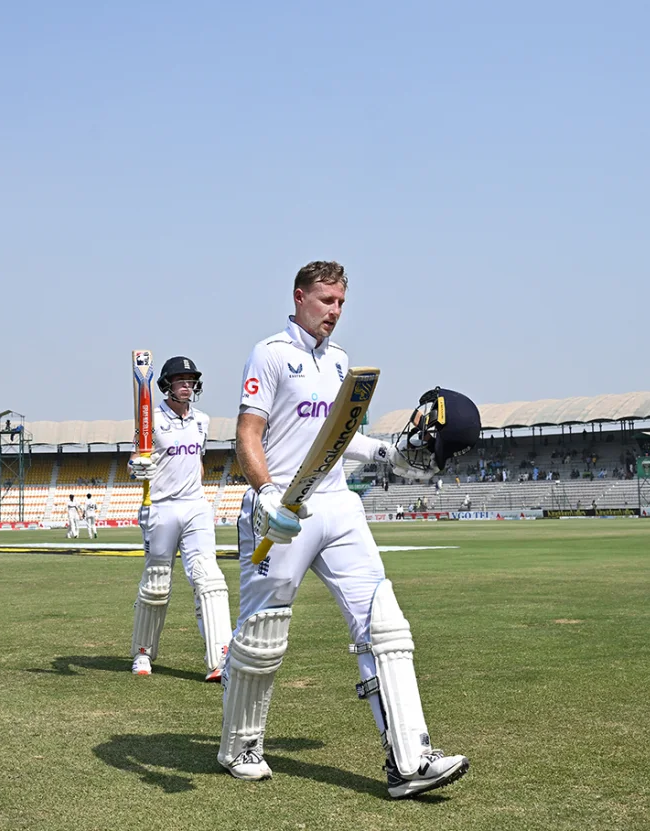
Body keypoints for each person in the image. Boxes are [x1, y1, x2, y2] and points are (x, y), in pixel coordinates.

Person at [220, 260, 471, 799]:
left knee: (385, 626)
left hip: (338, 504)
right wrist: (266, 495)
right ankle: (240, 746)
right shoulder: (271, 354)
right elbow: (248, 433)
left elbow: (342, 435)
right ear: (299, 297)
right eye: (325, 301)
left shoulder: (340, 364)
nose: (334, 312)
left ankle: (410, 762)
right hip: (285, 508)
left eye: (340, 304)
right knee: (263, 637)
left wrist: (391, 453)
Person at [127, 356, 232, 682]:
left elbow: (197, 462)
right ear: (167, 385)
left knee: (208, 579)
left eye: (191, 380)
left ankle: (220, 659)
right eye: (181, 380)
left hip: (195, 505)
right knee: (157, 583)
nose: (187, 385)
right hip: (161, 506)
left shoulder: (202, 420)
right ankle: (142, 653)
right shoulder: (151, 421)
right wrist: (137, 468)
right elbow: (134, 460)